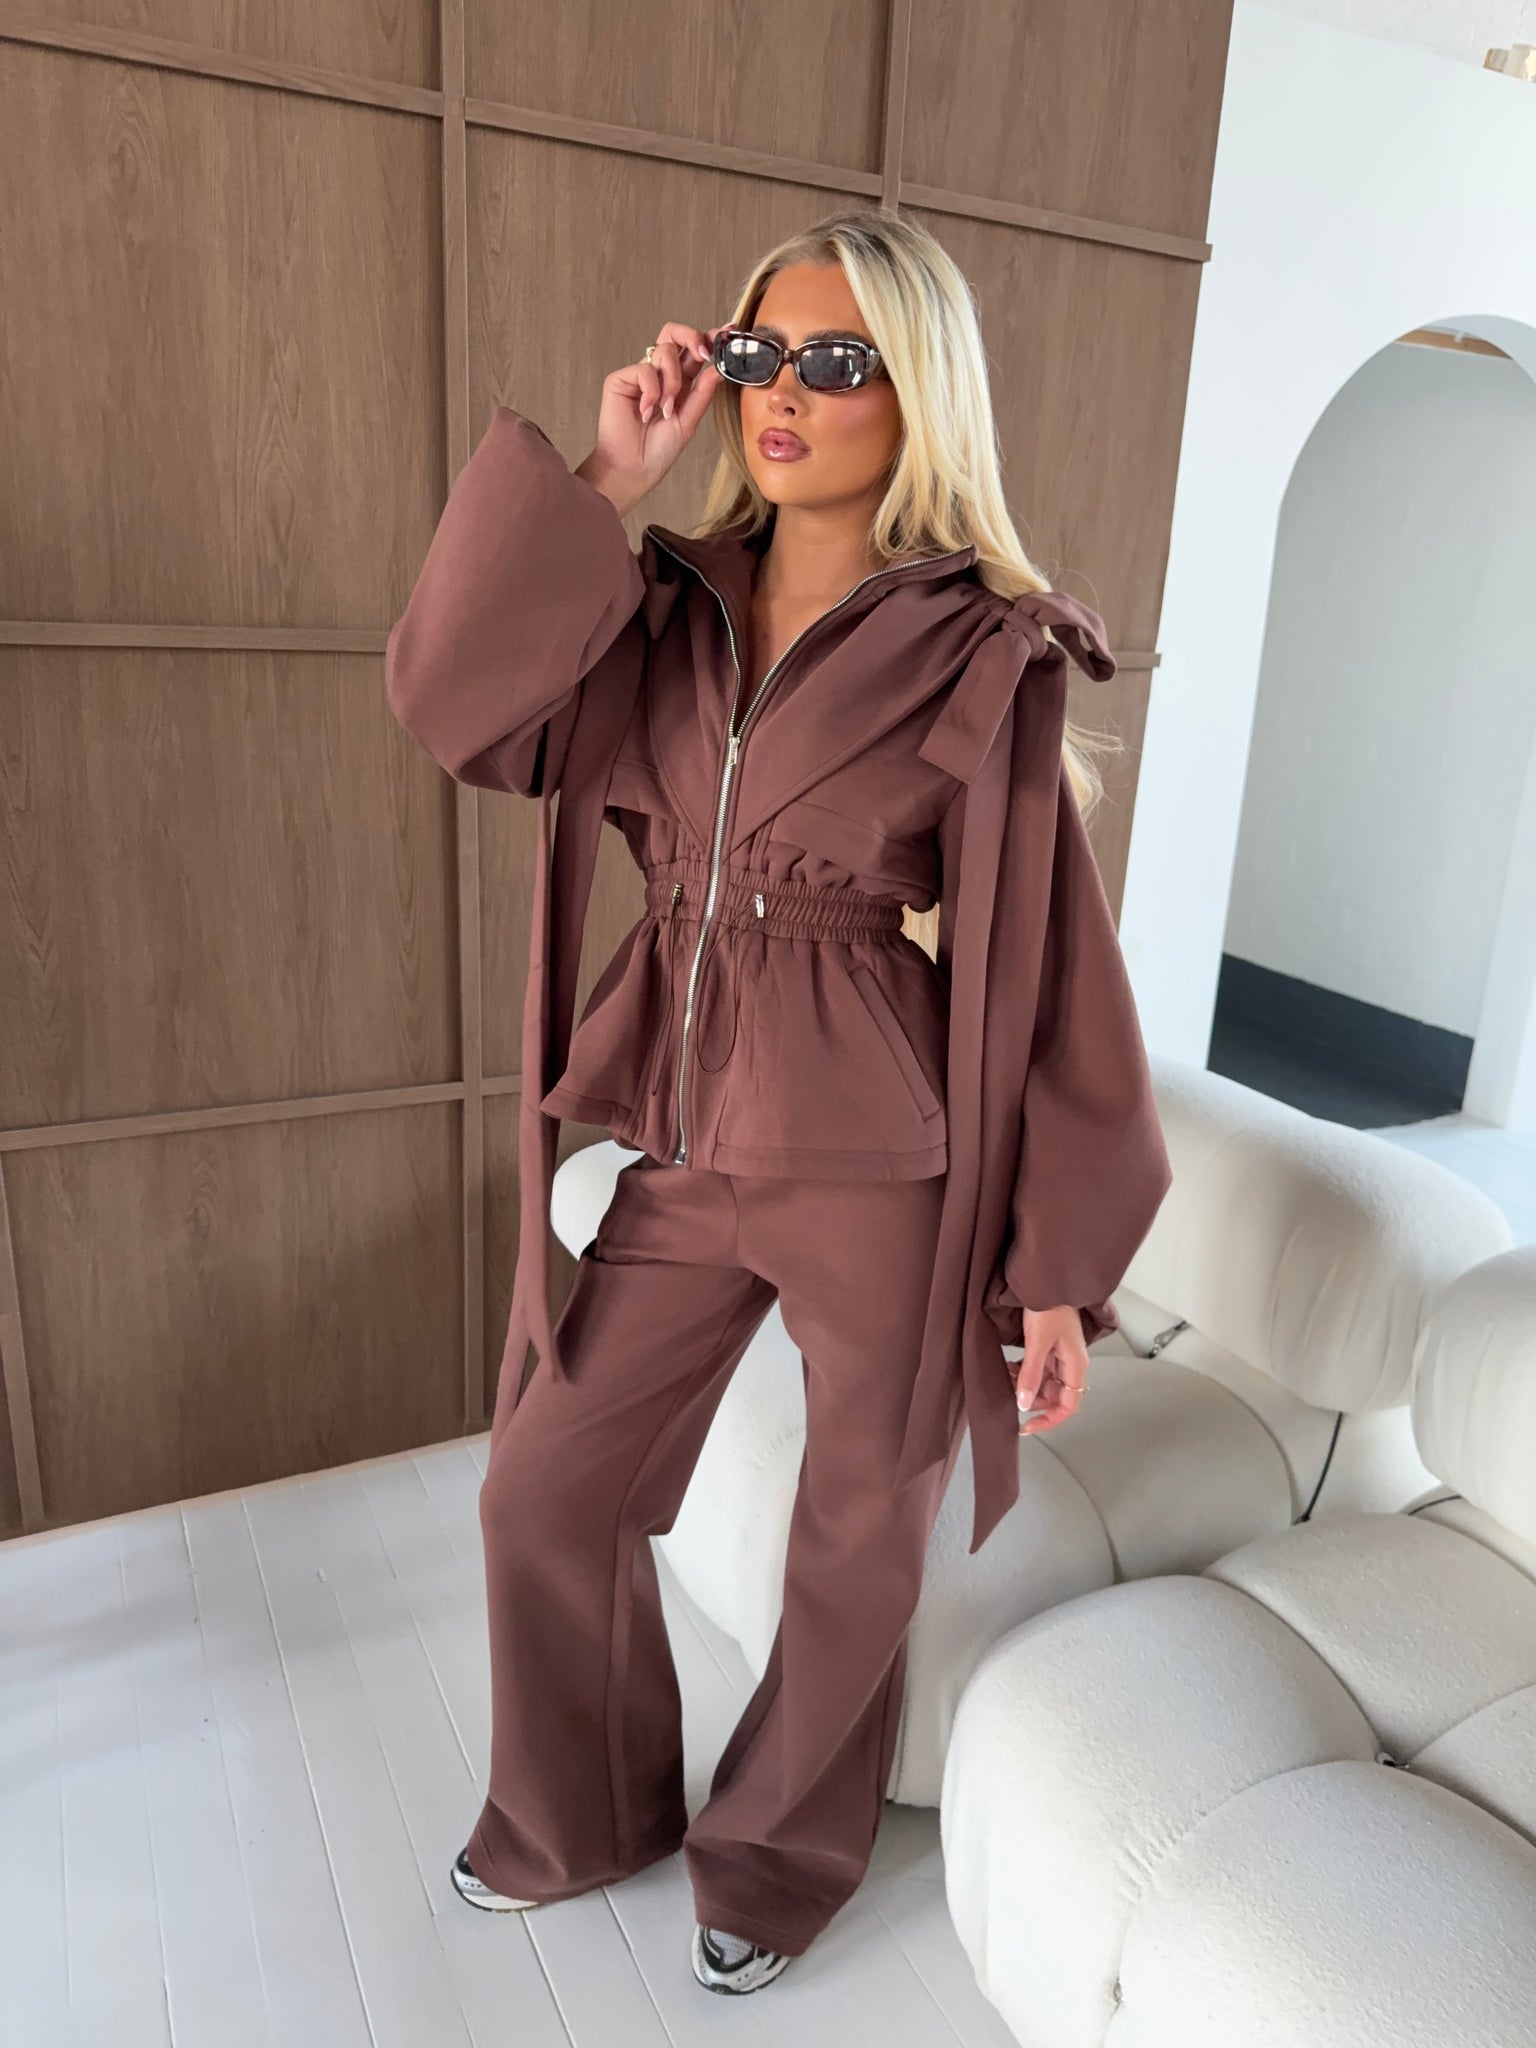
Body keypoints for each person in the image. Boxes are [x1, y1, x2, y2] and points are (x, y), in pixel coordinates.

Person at [383, 204, 1172, 1995]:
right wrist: (605, 477)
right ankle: (581, 1814)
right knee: (545, 1487)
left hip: (885, 1160)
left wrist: (1052, 1270)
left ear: (920, 391)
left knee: (855, 1537)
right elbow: (453, 704)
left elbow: (1056, 964)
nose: (785, 393)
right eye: (759, 355)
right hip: (687, 1138)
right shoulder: (657, 602)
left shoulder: (985, 647)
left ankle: (775, 1858)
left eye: (836, 360)